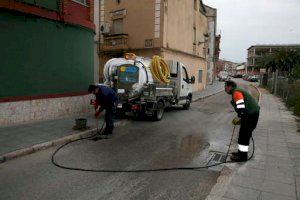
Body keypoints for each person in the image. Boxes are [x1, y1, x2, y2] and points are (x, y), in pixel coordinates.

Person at [225, 80, 260, 162]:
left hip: (250, 115)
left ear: (230, 86)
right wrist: (240, 116)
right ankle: (240, 153)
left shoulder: (236, 92)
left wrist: (240, 116)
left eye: (225, 87)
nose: (225, 89)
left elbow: (241, 106)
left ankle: (242, 157)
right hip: (249, 114)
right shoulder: (237, 90)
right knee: (242, 135)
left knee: (244, 136)